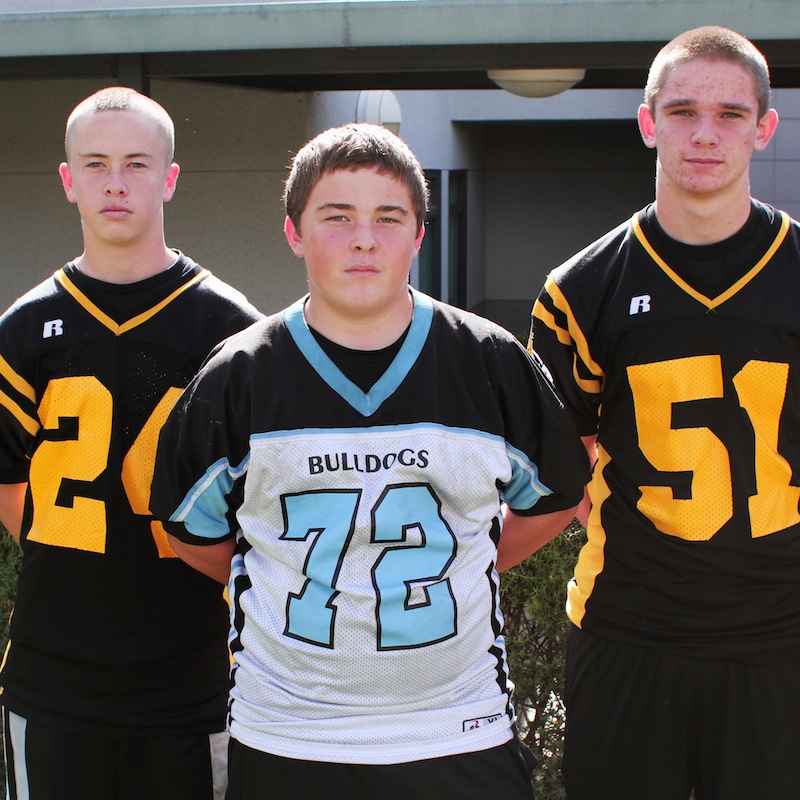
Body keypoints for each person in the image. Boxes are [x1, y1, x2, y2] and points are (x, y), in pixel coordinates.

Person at [149, 122, 589, 800]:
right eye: (337, 217)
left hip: (458, 724)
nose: (363, 239)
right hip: (289, 728)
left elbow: (558, 499)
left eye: (389, 218)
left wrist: (459, 562)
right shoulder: (239, 376)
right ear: (294, 231)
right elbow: (192, 536)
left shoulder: (489, 362)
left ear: (419, 234)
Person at [525, 25, 800, 800]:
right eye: (682, 111)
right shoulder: (581, 289)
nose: (705, 134)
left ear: (763, 128)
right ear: (648, 121)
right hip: (628, 629)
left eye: (730, 114)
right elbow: (567, 467)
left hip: (782, 634)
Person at [0, 87, 263, 800]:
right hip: (55, 678)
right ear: (67, 179)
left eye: (137, 163)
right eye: (96, 163)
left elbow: (258, 507)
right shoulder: (23, 330)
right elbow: (10, 488)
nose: (115, 182)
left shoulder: (232, 331)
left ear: (170, 177)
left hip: (193, 678)